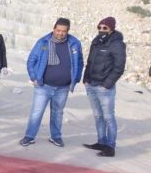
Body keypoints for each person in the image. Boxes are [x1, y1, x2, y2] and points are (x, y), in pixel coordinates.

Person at [20, 18, 83, 147]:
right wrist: (34, 77)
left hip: (63, 88)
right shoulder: (44, 42)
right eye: (58, 30)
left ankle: (56, 137)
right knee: (37, 112)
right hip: (44, 86)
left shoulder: (74, 43)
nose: (60, 33)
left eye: (63, 31)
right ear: (53, 29)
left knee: (58, 113)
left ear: (68, 31)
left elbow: (80, 62)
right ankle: (29, 136)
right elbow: (31, 60)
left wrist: (76, 78)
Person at [82, 17, 126, 157]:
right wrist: (86, 79)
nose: (101, 30)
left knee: (108, 117)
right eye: (99, 27)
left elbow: (119, 67)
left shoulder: (117, 44)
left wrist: (107, 84)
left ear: (111, 29)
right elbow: (90, 62)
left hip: (104, 88)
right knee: (97, 116)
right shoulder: (96, 41)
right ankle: (101, 142)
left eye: (104, 28)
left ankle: (110, 147)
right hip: (91, 85)